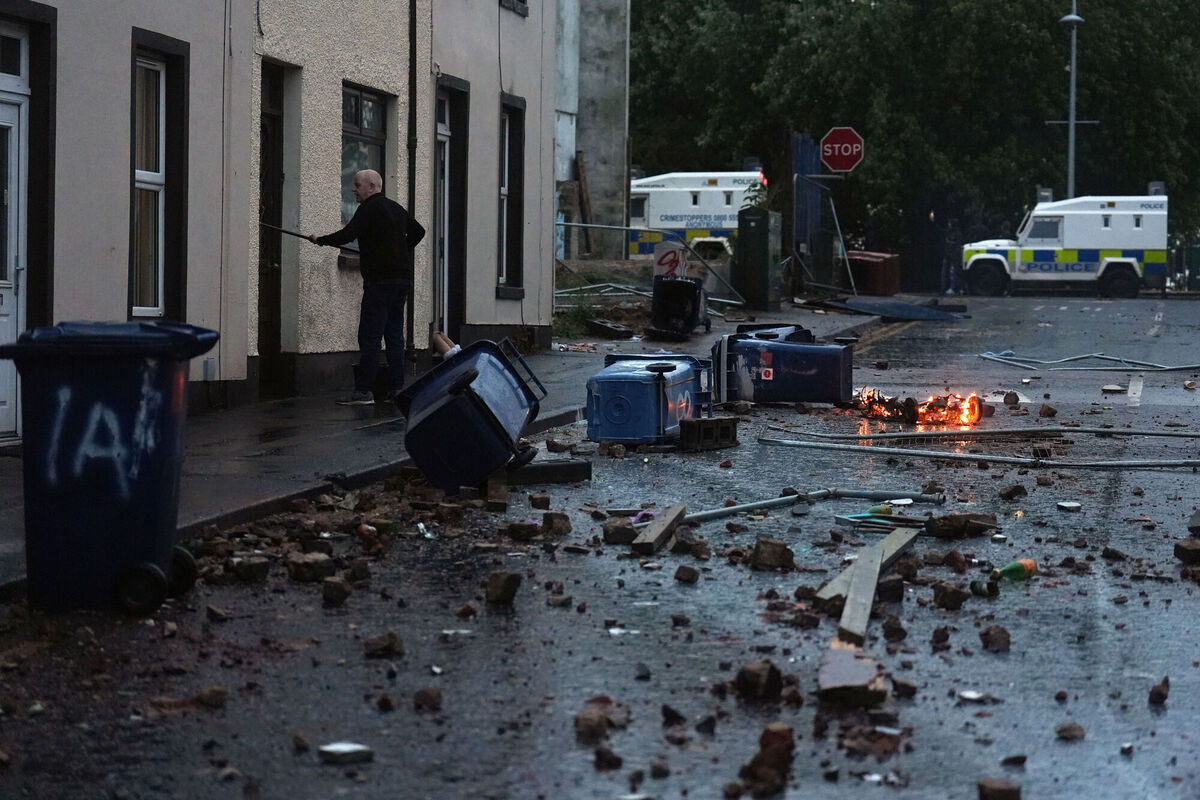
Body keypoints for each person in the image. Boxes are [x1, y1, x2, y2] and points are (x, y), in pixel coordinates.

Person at [309, 169, 425, 405]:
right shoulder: (395, 208)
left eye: (357, 185)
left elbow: (348, 234)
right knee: (394, 335)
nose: (354, 189)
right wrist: (399, 250)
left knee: (370, 336)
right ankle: (396, 388)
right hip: (401, 280)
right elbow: (418, 231)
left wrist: (320, 240)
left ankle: (364, 391)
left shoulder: (369, 209)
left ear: (372, 186)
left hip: (380, 282)